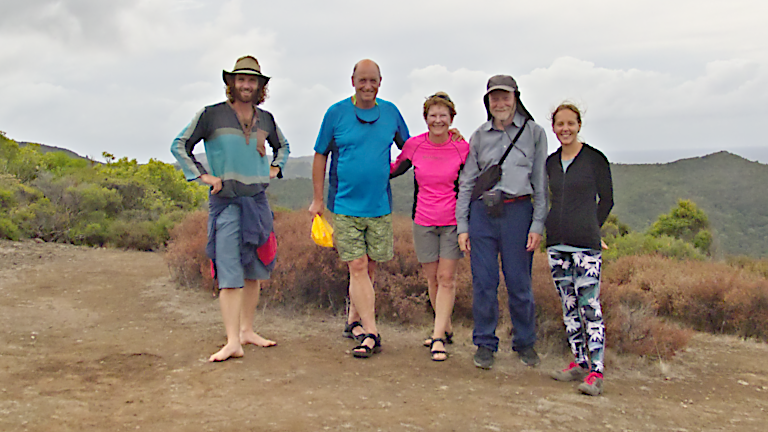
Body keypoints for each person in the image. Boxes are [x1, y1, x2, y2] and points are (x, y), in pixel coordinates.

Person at [171, 55, 290, 362]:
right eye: (241, 79)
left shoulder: (266, 119)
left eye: (252, 80)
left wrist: (276, 168)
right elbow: (180, 145)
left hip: (257, 202)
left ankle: (247, 331)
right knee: (228, 268)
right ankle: (232, 340)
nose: (246, 85)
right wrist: (203, 176)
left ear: (260, 86)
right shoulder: (211, 115)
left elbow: (284, 147)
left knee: (255, 269)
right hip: (226, 203)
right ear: (232, 83)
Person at [309, 59, 410, 358]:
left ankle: (353, 320)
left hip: (379, 205)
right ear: (352, 81)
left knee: (369, 268)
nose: (367, 86)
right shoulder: (336, 113)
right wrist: (317, 199)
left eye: (372, 80)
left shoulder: (391, 113)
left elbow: (410, 149)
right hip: (344, 205)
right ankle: (371, 333)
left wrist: (389, 171)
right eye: (362, 80)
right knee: (357, 266)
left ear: (380, 82)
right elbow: (320, 155)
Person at [456, 75, 548, 370]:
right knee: (484, 282)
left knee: (519, 282)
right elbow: (467, 182)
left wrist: (537, 224)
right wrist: (463, 226)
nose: (500, 103)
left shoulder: (534, 133)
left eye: (505, 97)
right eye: (494, 98)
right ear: (488, 102)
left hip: (518, 212)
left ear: (516, 98)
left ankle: (525, 342)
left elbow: (540, 182)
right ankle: (485, 343)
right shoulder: (479, 136)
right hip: (482, 214)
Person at [390, 92, 469, 362]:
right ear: (425, 118)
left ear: (451, 119)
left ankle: (437, 338)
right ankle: (445, 328)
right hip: (422, 220)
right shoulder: (414, 145)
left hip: (452, 222)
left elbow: (474, 179)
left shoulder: (461, 147)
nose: (438, 120)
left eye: (443, 116)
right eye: (433, 115)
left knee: (447, 278)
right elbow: (394, 169)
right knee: (433, 279)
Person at [545, 103, 613, 396]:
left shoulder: (595, 159)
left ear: (579, 125)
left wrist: (593, 229)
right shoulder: (550, 162)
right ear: (553, 127)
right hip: (557, 243)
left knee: (590, 307)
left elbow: (607, 199)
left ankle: (596, 372)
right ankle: (579, 362)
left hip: (585, 245)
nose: (565, 129)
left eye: (570, 123)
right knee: (568, 306)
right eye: (560, 124)